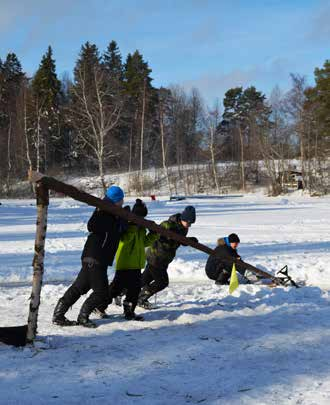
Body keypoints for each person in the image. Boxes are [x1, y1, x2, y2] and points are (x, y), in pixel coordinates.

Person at [52, 185, 126, 328]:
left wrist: (121, 219)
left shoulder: (111, 213)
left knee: (79, 288)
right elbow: (92, 226)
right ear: (117, 200)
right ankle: (83, 316)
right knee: (102, 292)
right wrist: (116, 218)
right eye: (121, 199)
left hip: (93, 256)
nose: (123, 202)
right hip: (96, 257)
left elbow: (116, 232)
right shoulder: (104, 211)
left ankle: (58, 315)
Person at [96, 199, 159, 320]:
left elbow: (144, 242)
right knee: (115, 288)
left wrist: (154, 234)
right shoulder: (125, 224)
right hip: (125, 263)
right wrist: (133, 226)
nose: (142, 220)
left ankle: (129, 311)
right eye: (140, 217)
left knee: (134, 290)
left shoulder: (140, 229)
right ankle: (99, 305)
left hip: (136, 264)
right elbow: (124, 240)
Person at [138, 206, 198, 309]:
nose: (188, 225)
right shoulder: (168, 224)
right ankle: (141, 298)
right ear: (182, 218)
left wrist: (188, 241)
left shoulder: (184, 229)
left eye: (190, 223)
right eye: (187, 222)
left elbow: (179, 240)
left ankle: (120, 292)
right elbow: (155, 233)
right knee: (162, 282)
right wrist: (167, 237)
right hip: (156, 256)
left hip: (165, 259)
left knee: (143, 280)